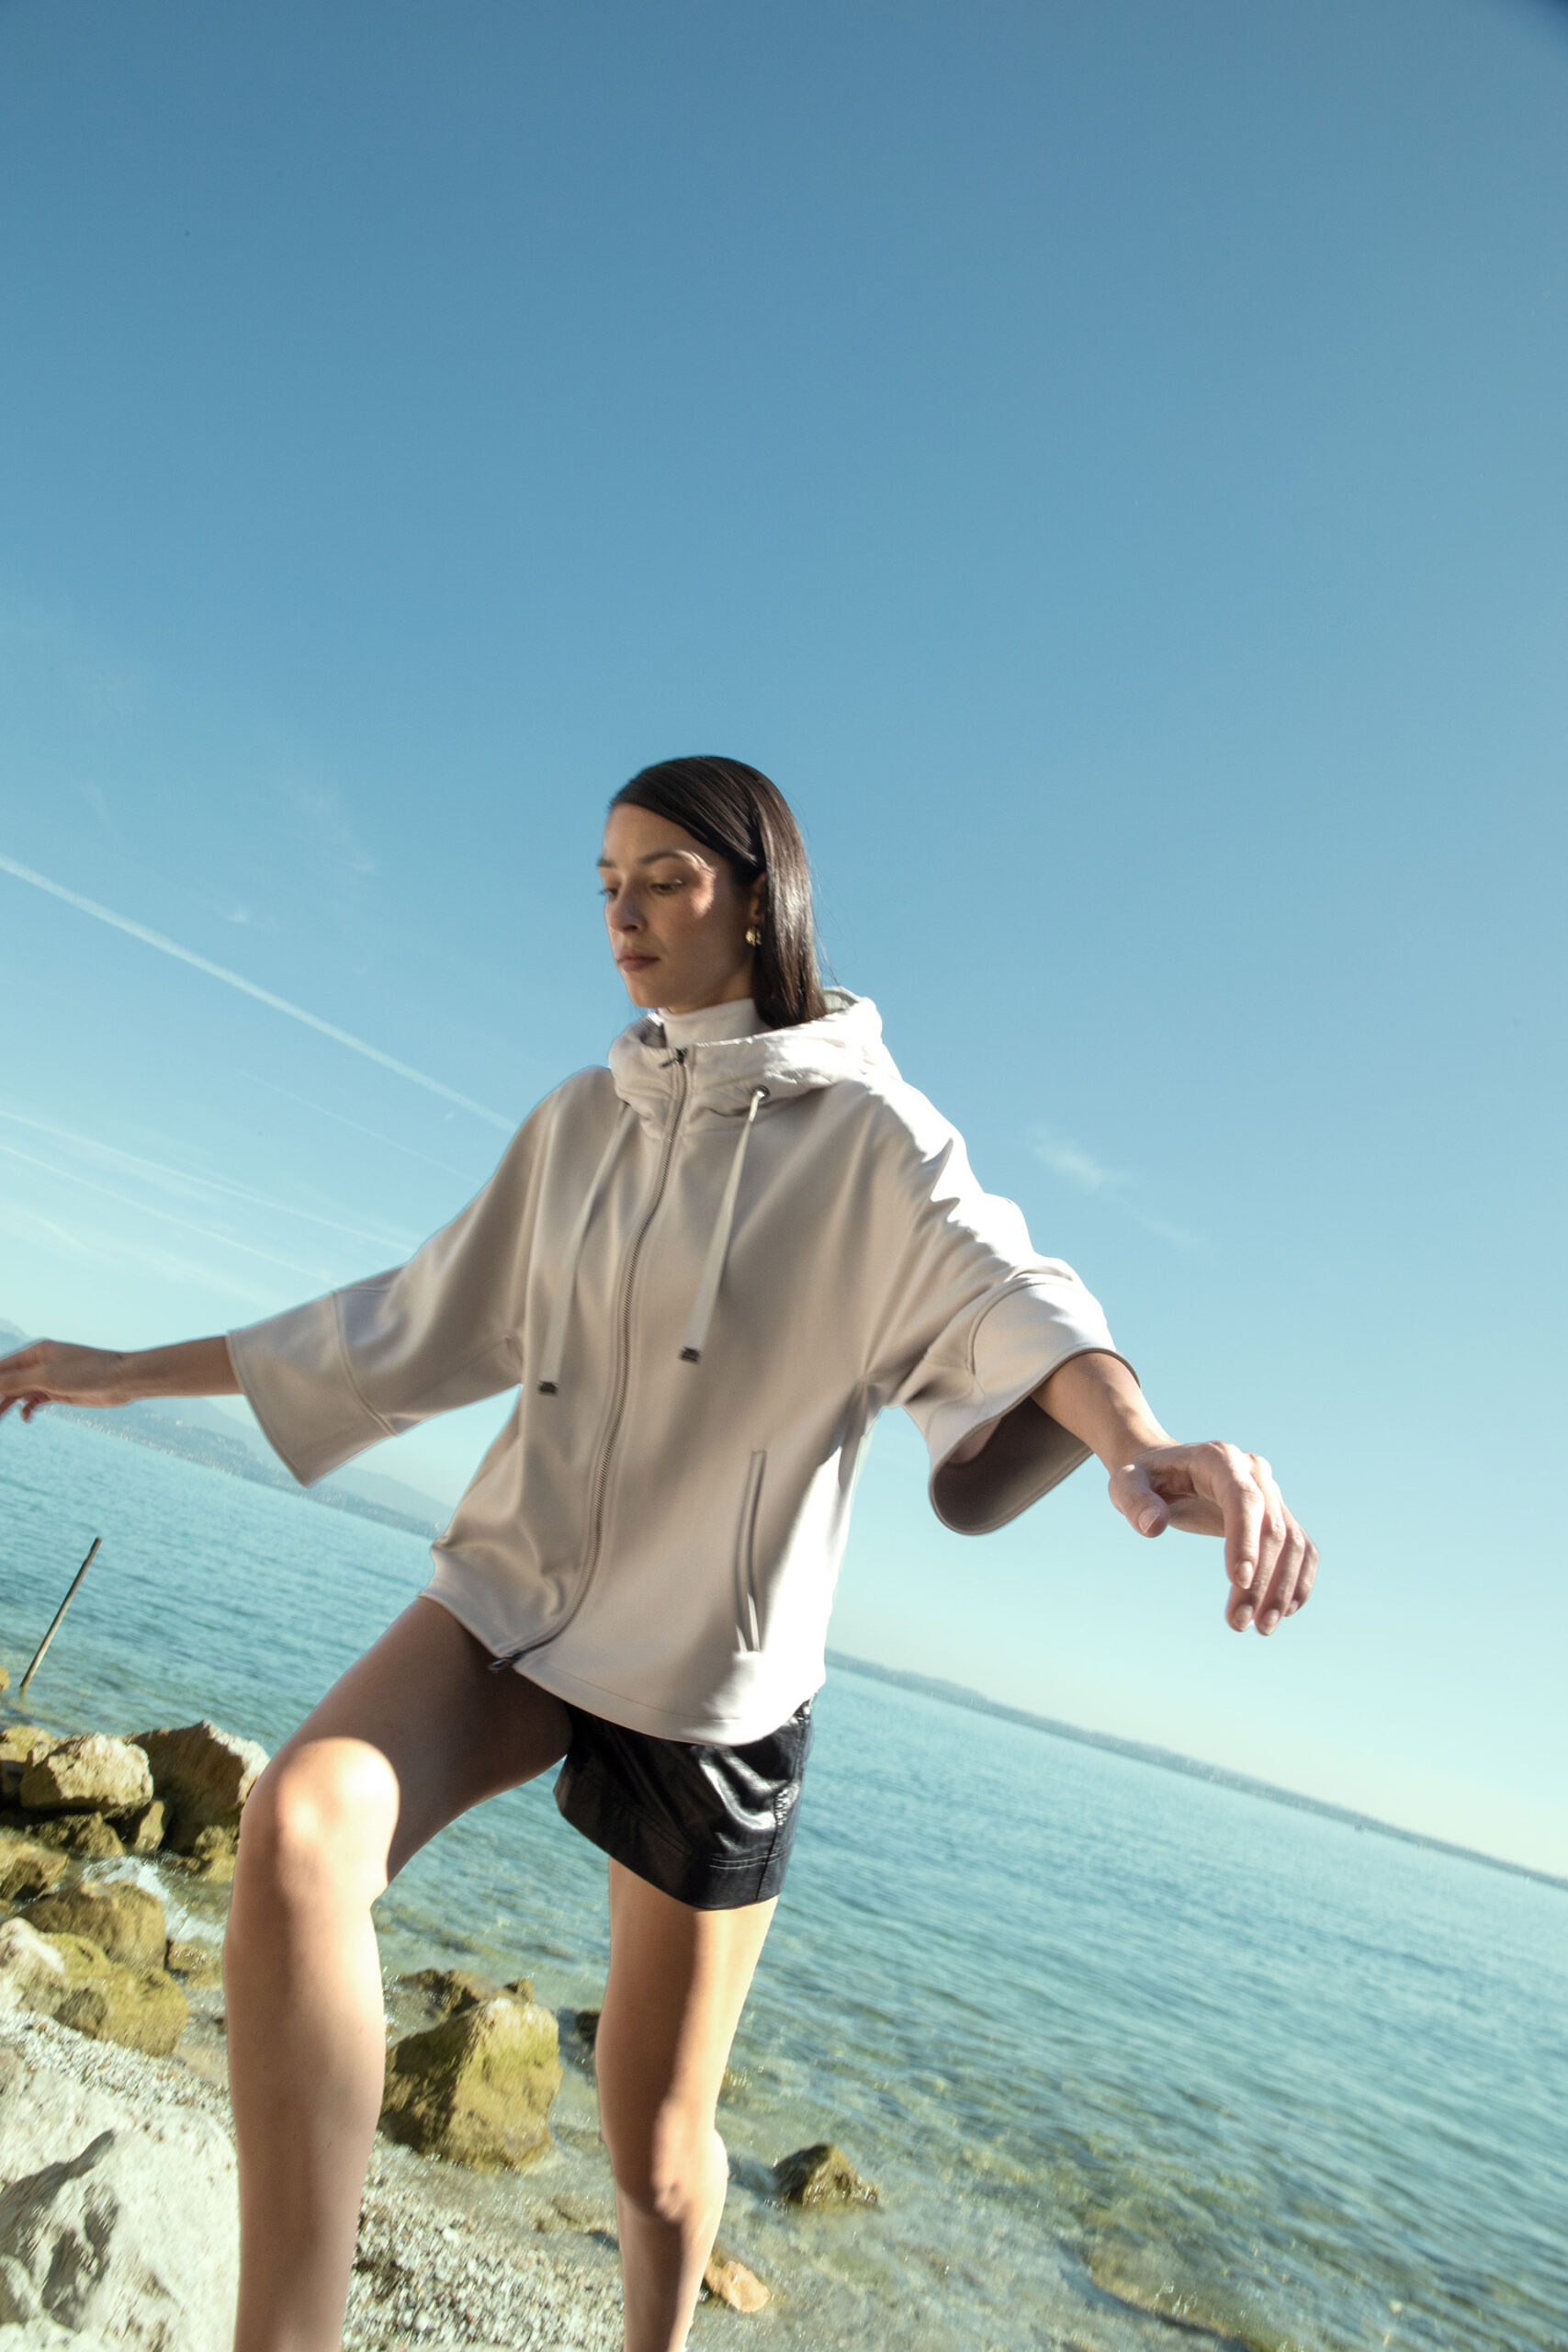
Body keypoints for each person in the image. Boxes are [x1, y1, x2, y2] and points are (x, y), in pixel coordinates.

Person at [0, 755, 1315, 2352]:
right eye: (606, 884)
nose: (623, 913)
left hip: (709, 1681)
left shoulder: (875, 1138)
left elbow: (1013, 1297)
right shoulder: (580, 1121)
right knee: (296, 1828)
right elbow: (399, 1325)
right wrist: (118, 1368)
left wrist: (1139, 1438)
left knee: (656, 2153)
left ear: (760, 900)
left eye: (665, 880)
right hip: (514, 1599)